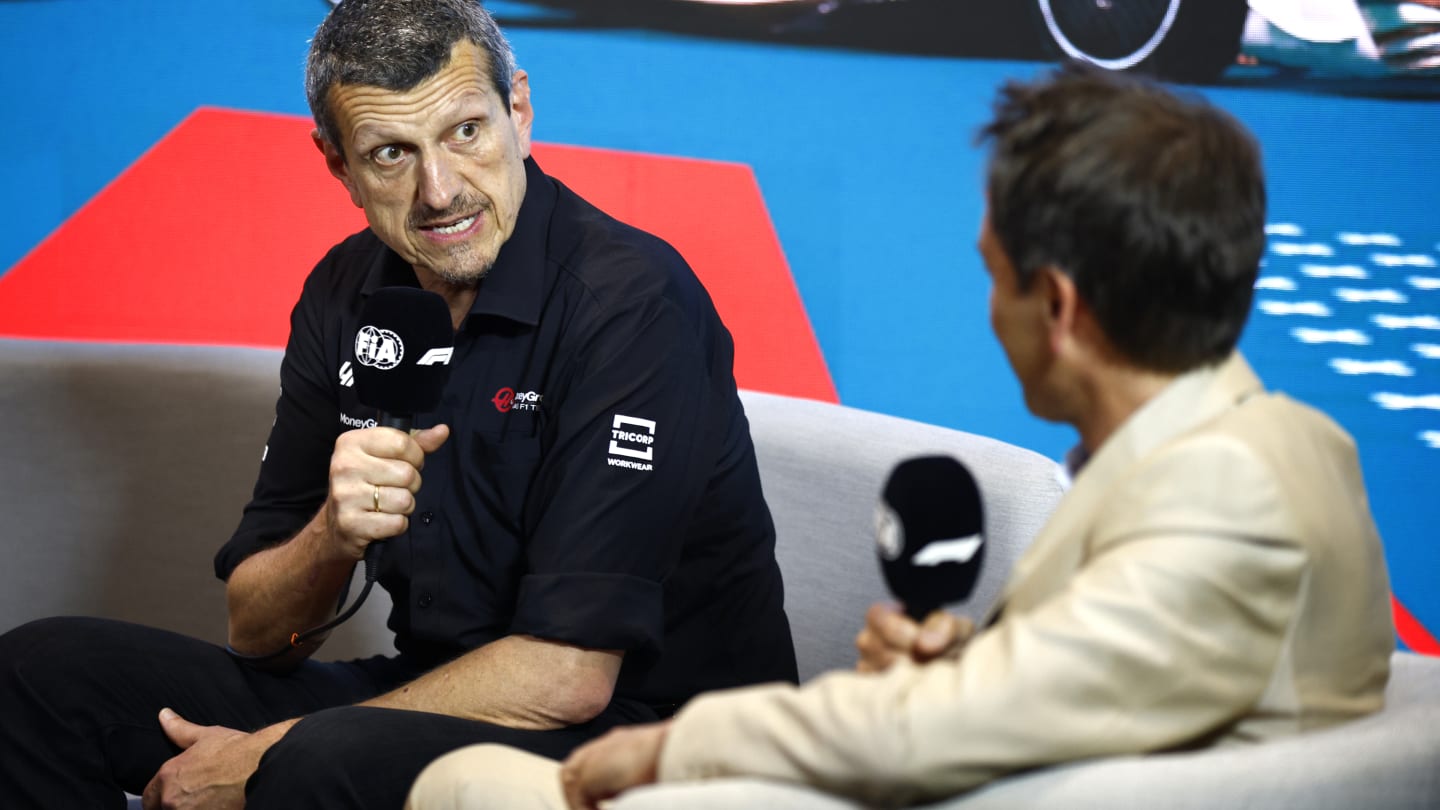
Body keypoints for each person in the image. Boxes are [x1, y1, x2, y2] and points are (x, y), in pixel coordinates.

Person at [403, 63, 1397, 810]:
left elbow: (961, 730)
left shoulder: (1225, 498)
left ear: (1055, 305)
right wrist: (972, 659)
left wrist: (675, 748)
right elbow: (1138, 677)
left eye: (992, 272)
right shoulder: (1279, 444)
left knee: (467, 783)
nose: (989, 308)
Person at [0, 0, 796, 807]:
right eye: (390, 153)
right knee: (42, 673)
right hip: (435, 694)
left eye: (465, 132)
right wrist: (332, 534)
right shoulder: (346, 293)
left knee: (317, 762)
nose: (440, 190)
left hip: (662, 739)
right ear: (338, 167)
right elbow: (257, 632)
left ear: (518, 110)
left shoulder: (629, 302)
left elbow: (569, 675)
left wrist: (268, 751)